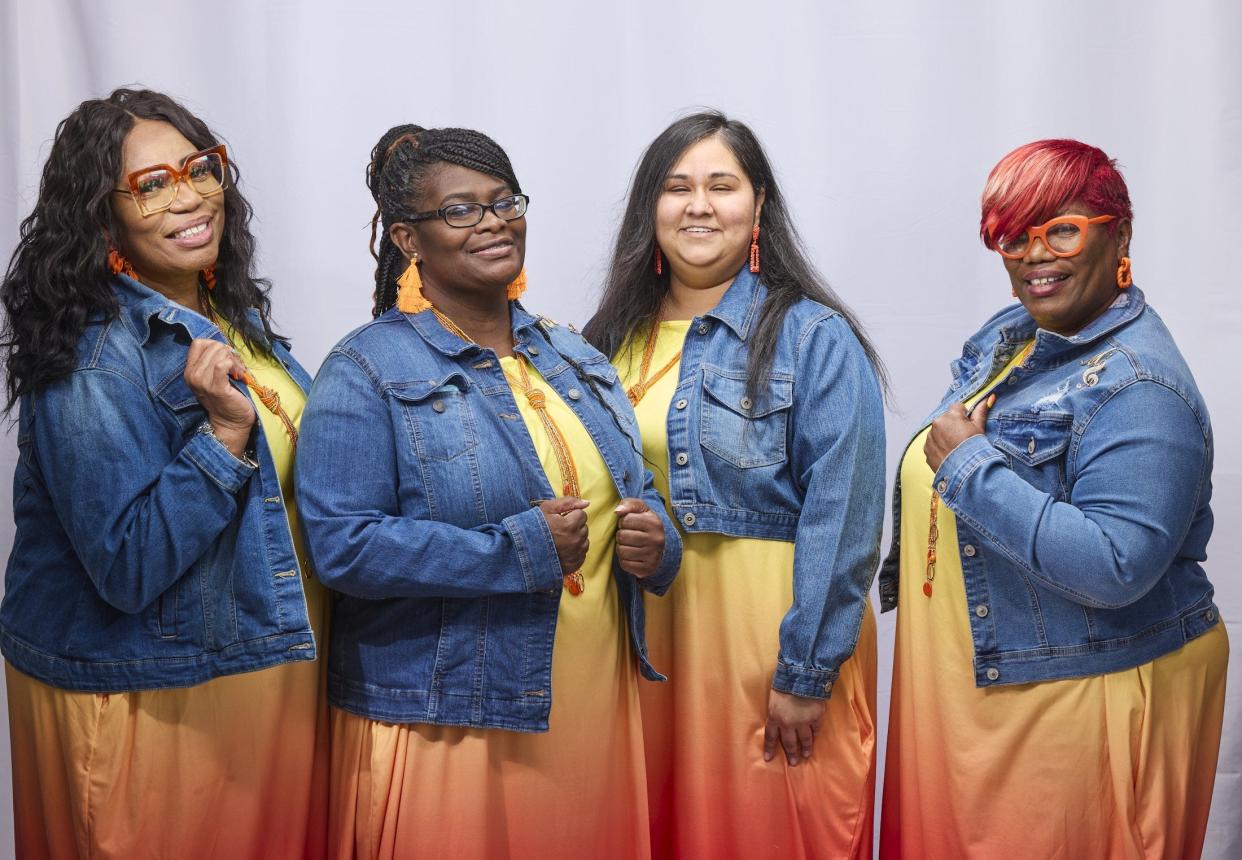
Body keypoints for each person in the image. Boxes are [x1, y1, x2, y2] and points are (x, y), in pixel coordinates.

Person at [295, 124, 682, 860]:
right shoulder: (366, 369)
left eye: (505, 201)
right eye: (461, 210)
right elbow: (342, 548)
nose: (495, 221)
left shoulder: (572, 353)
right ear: (408, 239)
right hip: (452, 717)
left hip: (589, 702)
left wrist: (656, 541)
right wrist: (515, 551)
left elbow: (637, 487)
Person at [878, 139, 1229, 858]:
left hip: (1075, 701)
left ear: (1119, 233)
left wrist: (971, 465)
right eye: (1014, 236)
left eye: (1061, 229)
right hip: (978, 689)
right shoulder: (1016, 338)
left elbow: (1115, 566)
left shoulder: (1141, 386)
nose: (1035, 255)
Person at [0, 88, 327, 858]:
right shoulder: (96, 360)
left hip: (250, 675)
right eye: (152, 184)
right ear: (99, 214)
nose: (189, 197)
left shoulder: (228, 316)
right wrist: (221, 434)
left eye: (199, 169)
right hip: (149, 689)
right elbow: (126, 565)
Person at [584, 110, 887, 859]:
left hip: (766, 641)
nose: (698, 205)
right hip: (639, 640)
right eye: (677, 186)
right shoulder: (601, 342)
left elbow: (845, 515)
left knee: (764, 834)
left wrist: (806, 673)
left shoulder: (814, 338)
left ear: (758, 207)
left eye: (722, 185)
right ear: (649, 209)